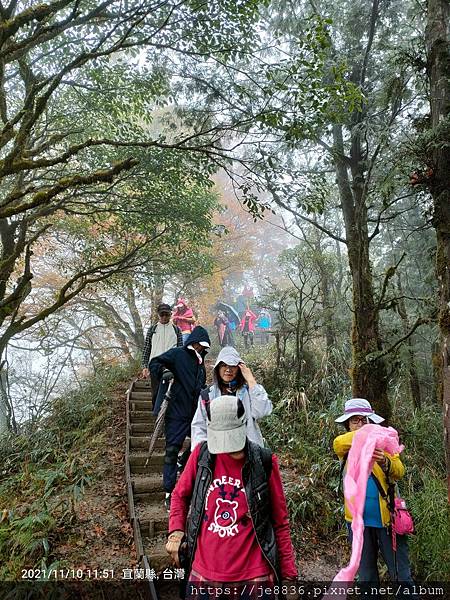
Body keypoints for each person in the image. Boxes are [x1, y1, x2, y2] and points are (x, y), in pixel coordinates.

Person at [166, 395, 298, 599]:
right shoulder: (201, 456)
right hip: (205, 574)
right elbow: (179, 495)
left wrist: (289, 577)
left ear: (244, 424)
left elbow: (280, 522)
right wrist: (176, 532)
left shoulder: (263, 461)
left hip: (256, 576)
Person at [333, 398, 415, 588]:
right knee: (366, 576)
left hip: (387, 520)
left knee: (400, 574)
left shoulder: (384, 445)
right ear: (348, 424)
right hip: (357, 523)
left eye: (364, 420)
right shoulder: (346, 447)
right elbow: (337, 443)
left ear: (371, 420)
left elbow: (399, 470)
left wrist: (384, 461)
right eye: (355, 420)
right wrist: (368, 434)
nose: (360, 424)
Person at [150, 326, 211, 511]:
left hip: (194, 416)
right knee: (170, 452)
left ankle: (181, 463)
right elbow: (154, 363)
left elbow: (198, 386)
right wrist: (164, 372)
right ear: (193, 342)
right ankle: (169, 493)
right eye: (200, 345)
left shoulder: (201, 365)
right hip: (175, 414)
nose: (201, 349)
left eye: (204, 347)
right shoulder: (177, 354)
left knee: (200, 448)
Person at [191, 346, 272, 450]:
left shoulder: (249, 392)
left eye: (232, 366)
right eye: (224, 365)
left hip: (247, 452)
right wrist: (203, 451)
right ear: (218, 368)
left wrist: (251, 380)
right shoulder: (207, 396)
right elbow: (199, 426)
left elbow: (263, 411)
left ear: (239, 368)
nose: (228, 370)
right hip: (218, 453)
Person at [141, 303, 183, 402]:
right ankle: (156, 415)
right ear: (158, 315)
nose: (164, 317)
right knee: (156, 393)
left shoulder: (176, 330)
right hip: (155, 365)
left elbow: (181, 350)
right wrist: (144, 366)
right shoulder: (152, 329)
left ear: (170, 315)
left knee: (171, 393)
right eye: (162, 314)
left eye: (167, 314)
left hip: (172, 365)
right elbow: (147, 348)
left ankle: (169, 416)